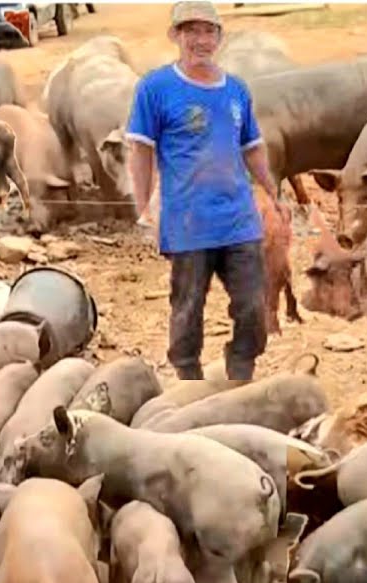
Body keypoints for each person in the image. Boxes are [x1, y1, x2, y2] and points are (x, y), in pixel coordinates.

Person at [124, 0, 289, 382]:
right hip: (187, 223)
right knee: (187, 308)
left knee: (252, 305)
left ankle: (240, 372)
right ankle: (188, 381)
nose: (200, 39)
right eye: (191, 31)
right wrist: (143, 205)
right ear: (177, 36)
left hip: (239, 221)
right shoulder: (156, 88)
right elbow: (141, 149)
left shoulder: (236, 90)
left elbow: (253, 147)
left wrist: (273, 192)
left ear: (219, 37)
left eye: (208, 31)